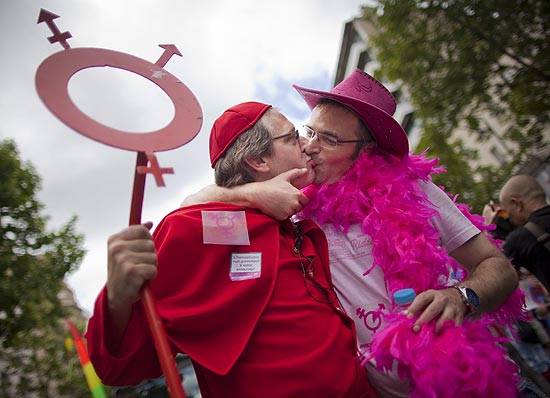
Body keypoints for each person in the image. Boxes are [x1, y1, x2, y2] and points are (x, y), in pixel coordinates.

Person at [183, 69, 524, 397]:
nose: (310, 146)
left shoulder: (415, 192)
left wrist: (462, 297)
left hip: (466, 383)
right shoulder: (291, 209)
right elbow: (192, 207)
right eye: (309, 131)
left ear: (366, 150)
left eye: (328, 139)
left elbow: (499, 267)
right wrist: (248, 194)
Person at [85, 102, 375, 398]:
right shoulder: (206, 228)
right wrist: (117, 298)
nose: (307, 145)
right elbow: (118, 367)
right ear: (258, 160)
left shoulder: (303, 218)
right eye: (292, 137)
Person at [497, 174, 550, 290]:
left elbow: (494, 277)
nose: (508, 218)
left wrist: (487, 227)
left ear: (516, 204)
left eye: (507, 212)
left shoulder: (521, 238)